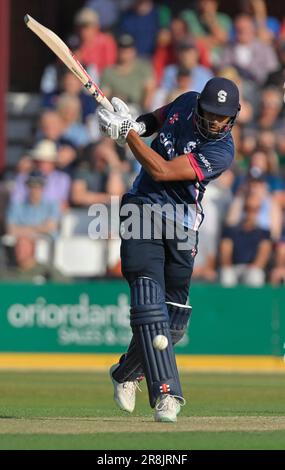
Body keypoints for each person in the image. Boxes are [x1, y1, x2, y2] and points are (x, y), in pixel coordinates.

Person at [98, 77, 240, 422]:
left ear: (233, 117)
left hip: (182, 223)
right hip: (141, 209)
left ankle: (125, 372)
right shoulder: (187, 101)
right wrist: (134, 123)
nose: (215, 121)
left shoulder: (222, 152)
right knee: (148, 297)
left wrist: (126, 134)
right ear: (200, 105)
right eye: (210, 113)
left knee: (173, 323)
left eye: (223, 116)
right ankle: (167, 392)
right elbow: (156, 120)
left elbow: (161, 170)